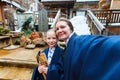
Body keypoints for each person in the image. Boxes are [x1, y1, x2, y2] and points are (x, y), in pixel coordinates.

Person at [53, 17, 120, 80]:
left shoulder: (79, 40)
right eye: (57, 29)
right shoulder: (66, 48)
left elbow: (101, 44)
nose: (59, 30)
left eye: (62, 27)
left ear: (71, 28)